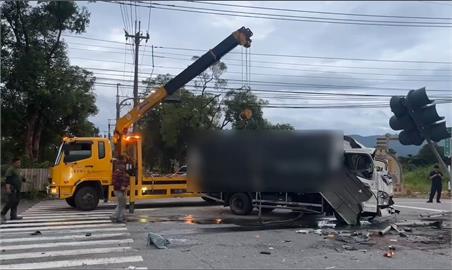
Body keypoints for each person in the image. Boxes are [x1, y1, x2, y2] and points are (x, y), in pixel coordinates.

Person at [1, 157, 25, 223]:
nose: (19, 164)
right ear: (14, 163)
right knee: (11, 201)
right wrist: (8, 188)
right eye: (17, 163)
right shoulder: (10, 170)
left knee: (16, 201)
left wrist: (24, 179)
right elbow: (7, 180)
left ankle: (13, 216)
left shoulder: (18, 170)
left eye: (19, 162)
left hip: (18, 189)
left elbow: (20, 177)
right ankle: (2, 213)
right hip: (12, 188)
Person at [111, 155, 130, 223]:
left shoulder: (122, 172)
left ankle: (116, 216)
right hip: (119, 190)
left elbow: (125, 180)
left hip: (121, 190)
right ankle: (118, 217)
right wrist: (121, 186)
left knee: (121, 204)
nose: (123, 166)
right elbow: (115, 182)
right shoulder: (117, 172)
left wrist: (125, 186)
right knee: (122, 204)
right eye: (122, 165)